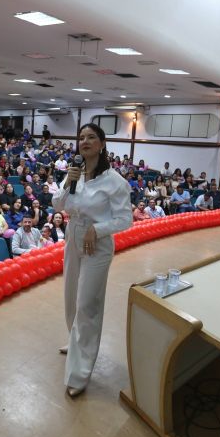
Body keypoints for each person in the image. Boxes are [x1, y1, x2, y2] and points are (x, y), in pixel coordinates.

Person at [52, 123, 132, 397]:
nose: (84, 141)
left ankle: (80, 372)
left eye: (91, 137)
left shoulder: (115, 181)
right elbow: (57, 206)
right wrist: (67, 182)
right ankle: (74, 342)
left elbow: (125, 220)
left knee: (88, 304)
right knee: (71, 295)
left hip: (96, 243)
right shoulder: (73, 174)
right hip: (72, 235)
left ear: (102, 144)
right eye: (81, 137)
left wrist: (97, 229)